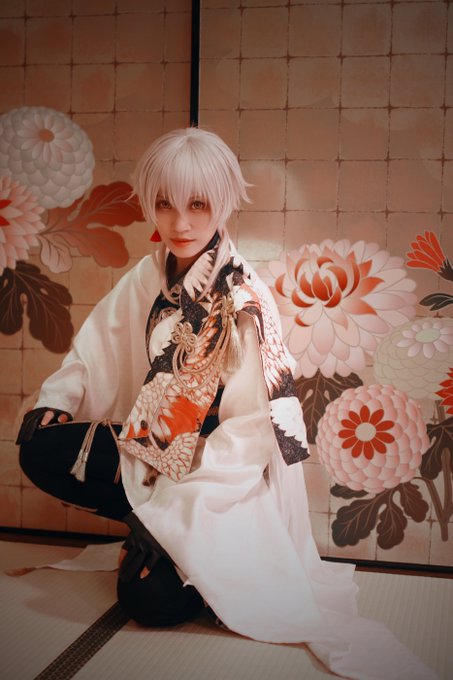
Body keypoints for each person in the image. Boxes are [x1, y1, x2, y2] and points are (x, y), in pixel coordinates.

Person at [17, 128, 438, 680]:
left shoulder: (243, 299)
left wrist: (171, 517)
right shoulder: (152, 272)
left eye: (197, 204)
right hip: (155, 448)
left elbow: (250, 434)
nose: (180, 223)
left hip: (217, 479)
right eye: (165, 204)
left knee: (151, 604)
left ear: (224, 202)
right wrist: (56, 399)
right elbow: (97, 343)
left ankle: (172, 544)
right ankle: (145, 525)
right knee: (38, 448)